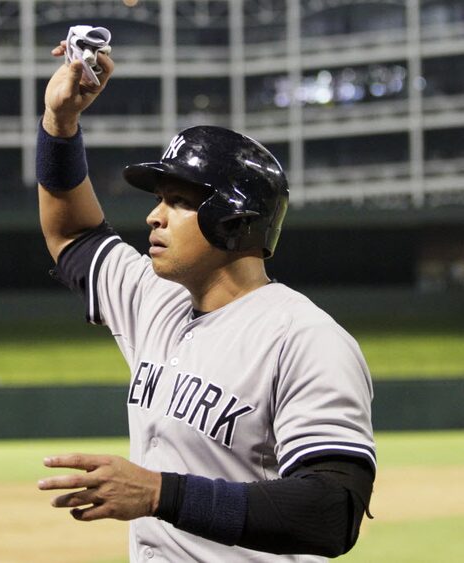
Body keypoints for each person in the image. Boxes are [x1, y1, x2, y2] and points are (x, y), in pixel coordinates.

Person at [35, 40, 375, 561]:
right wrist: (59, 125)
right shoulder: (156, 298)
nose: (154, 217)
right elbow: (74, 236)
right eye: (157, 200)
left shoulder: (304, 338)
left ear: (233, 220)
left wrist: (158, 493)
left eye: (179, 201)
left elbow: (331, 512)